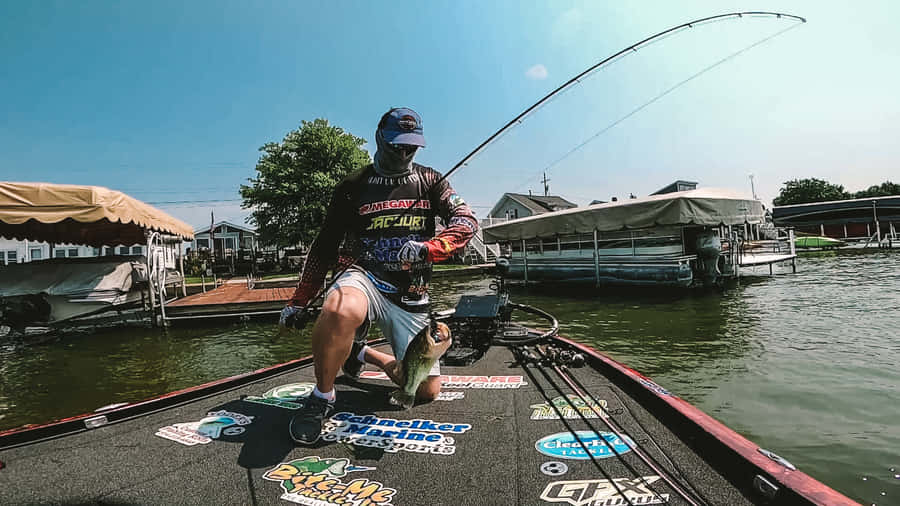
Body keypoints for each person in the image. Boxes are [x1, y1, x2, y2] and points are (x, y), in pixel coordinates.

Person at [279, 107, 478, 444]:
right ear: (379, 137)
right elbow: (324, 246)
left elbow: (467, 221)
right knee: (341, 308)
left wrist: (432, 247)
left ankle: (361, 352)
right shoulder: (352, 185)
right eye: (396, 144)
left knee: (425, 390)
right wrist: (299, 301)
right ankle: (322, 397)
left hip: (412, 290)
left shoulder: (432, 180)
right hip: (364, 277)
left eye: (411, 146)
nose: (403, 152)